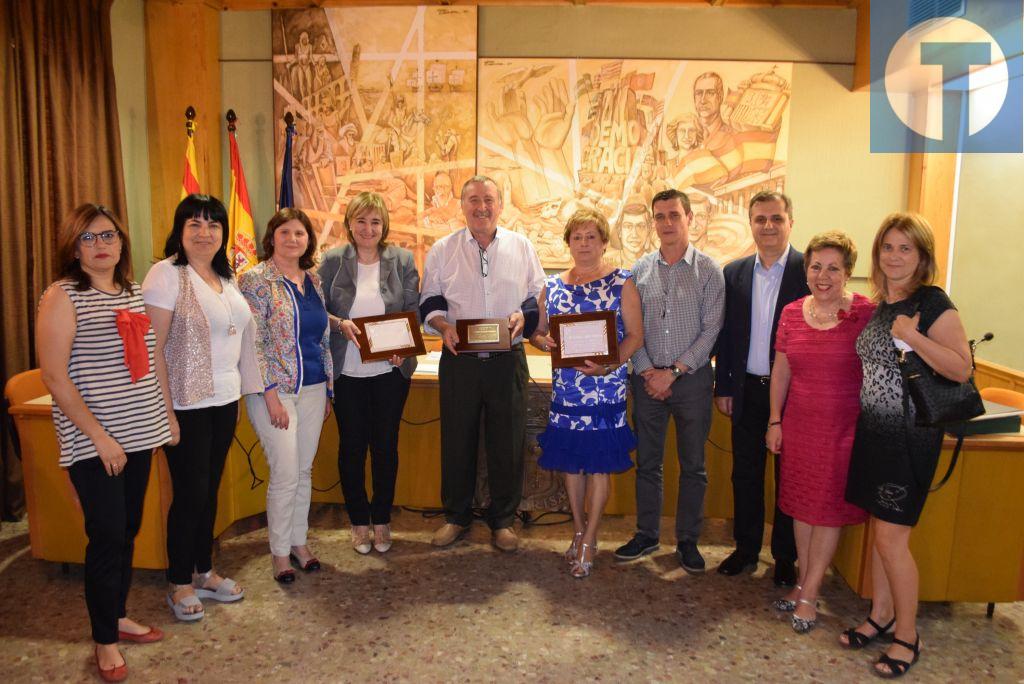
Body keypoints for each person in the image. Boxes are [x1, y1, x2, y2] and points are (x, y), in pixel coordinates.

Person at [37, 205, 173, 681]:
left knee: (128, 529)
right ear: (74, 249)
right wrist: (99, 437)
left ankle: (116, 615)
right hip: (94, 442)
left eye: (108, 236)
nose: (101, 246)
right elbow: (54, 376)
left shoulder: (133, 294)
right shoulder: (62, 296)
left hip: (138, 434)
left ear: (121, 242)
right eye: (89, 239)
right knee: (108, 536)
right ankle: (104, 640)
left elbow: (146, 364)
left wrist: (162, 422)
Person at [841, 213, 972, 678]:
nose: (894, 257)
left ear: (922, 257)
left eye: (905, 249)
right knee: (881, 534)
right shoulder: (882, 305)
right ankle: (881, 614)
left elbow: (961, 368)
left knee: (894, 541)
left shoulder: (933, 304)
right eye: (888, 248)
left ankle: (908, 635)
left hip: (909, 439)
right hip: (875, 434)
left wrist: (912, 336)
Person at [143, 194, 258, 620]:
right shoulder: (166, 274)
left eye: (213, 224)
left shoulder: (225, 278)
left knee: (207, 492)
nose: (204, 232)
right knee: (189, 495)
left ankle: (204, 572)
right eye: (194, 224)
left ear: (224, 233)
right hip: (186, 405)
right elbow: (152, 350)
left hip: (223, 401)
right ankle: (178, 583)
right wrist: (165, 412)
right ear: (180, 230)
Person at [419, 175, 545, 552]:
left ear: (500, 205)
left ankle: (503, 522)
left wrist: (525, 318)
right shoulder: (443, 249)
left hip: (508, 360)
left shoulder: (521, 247)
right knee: (457, 440)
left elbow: (536, 295)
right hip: (460, 360)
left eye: (488, 199)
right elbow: (429, 299)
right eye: (473, 200)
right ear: (463, 205)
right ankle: (456, 517)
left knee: (508, 441)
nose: (481, 207)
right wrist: (442, 325)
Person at [764, 231, 874, 633]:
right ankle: (802, 582)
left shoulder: (865, 313)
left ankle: (810, 592)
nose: (823, 275)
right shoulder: (793, 312)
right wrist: (775, 420)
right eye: (816, 266)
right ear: (805, 270)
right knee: (800, 506)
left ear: (848, 273)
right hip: (799, 424)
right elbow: (781, 370)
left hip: (843, 427)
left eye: (833, 268)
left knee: (826, 510)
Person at [614, 189, 725, 573]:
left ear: (689, 218)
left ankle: (688, 541)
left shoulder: (709, 271)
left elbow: (711, 331)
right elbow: (632, 328)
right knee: (648, 463)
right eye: (659, 216)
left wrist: (674, 372)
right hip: (646, 380)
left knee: (693, 465)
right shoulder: (639, 270)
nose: (666, 223)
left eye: (674, 215)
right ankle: (647, 534)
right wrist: (648, 371)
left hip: (691, 381)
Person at [529, 208, 643, 578]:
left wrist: (610, 366)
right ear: (568, 243)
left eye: (591, 237)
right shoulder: (553, 285)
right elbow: (539, 331)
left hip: (605, 391)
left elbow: (635, 337)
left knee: (597, 466)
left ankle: (591, 538)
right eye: (576, 237)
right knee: (571, 466)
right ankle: (577, 529)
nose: (583, 244)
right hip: (567, 393)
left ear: (604, 242)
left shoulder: (622, 281)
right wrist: (543, 340)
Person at [713, 191, 807, 586]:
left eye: (776, 218)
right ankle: (746, 548)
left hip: (795, 394)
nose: (768, 226)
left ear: (790, 221)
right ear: (750, 223)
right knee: (746, 473)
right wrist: (724, 384)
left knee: (790, 476)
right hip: (747, 390)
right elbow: (725, 335)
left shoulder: (809, 270)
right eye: (760, 219)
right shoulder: (733, 272)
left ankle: (785, 556)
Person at [318, 192, 419, 554]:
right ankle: (359, 521)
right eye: (361, 221)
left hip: (390, 370)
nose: (368, 228)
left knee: (385, 447)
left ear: (384, 226)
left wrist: (403, 348)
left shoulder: (402, 260)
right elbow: (316, 310)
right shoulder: (331, 262)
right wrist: (338, 322)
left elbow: (412, 311)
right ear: (349, 224)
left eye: (375, 221)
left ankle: (382, 520)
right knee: (352, 447)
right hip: (347, 370)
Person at [239, 208, 333, 582]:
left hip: (312, 388)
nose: (293, 239)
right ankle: (279, 552)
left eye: (300, 233)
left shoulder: (313, 280)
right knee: (285, 472)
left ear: (308, 240)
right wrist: (270, 394)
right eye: (285, 232)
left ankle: (299, 542)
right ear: (271, 237)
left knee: (303, 470)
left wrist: (328, 389)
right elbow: (255, 341)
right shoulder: (255, 280)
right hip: (273, 393)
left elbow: (321, 337)